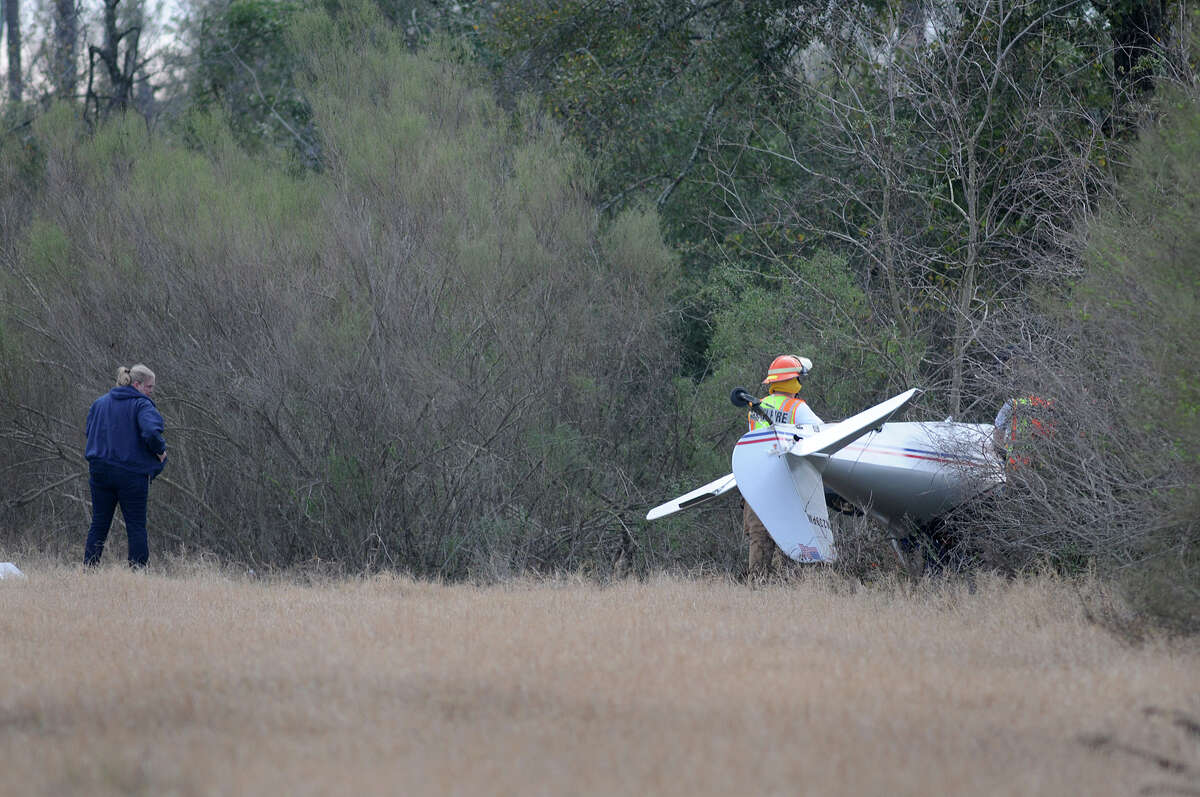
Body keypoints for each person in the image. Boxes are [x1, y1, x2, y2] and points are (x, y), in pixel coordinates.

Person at [743, 354, 822, 577]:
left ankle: (758, 583)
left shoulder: (756, 407)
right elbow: (823, 434)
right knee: (793, 533)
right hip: (786, 482)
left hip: (756, 482)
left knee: (759, 536)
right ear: (794, 381)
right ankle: (794, 581)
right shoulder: (798, 408)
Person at [84, 364, 167, 568]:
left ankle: (89, 569)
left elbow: (89, 432)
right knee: (136, 526)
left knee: (99, 524)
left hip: (100, 472)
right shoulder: (142, 405)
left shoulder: (99, 403)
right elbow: (151, 432)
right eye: (149, 387)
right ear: (137, 384)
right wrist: (160, 451)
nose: (151, 391)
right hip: (131, 474)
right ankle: (137, 575)